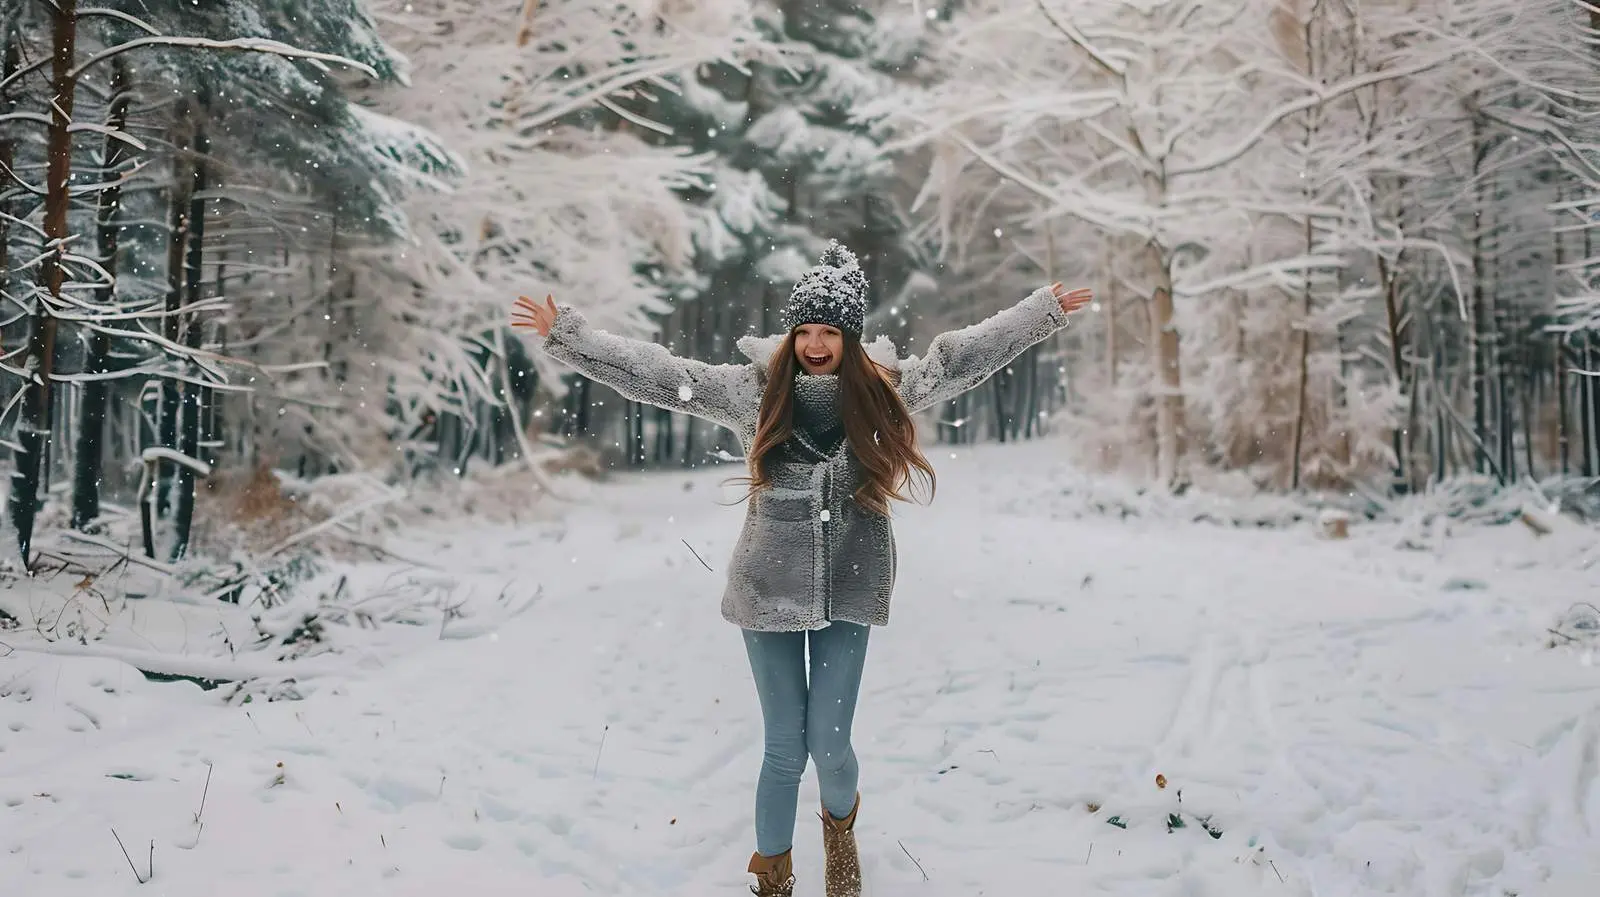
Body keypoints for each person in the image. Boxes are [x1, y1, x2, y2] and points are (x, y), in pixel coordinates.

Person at [511, 242, 1092, 897]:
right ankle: (774, 878)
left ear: (850, 337)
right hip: (768, 584)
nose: (816, 344)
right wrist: (571, 337)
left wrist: (1041, 313)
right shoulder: (752, 393)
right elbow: (661, 374)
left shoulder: (882, 392)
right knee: (785, 744)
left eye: (830, 332)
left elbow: (957, 360)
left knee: (830, 741)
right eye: (805, 331)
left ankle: (839, 825)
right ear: (791, 335)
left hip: (852, 578)